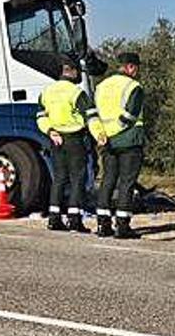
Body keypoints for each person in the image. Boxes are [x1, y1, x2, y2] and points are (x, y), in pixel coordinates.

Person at [37, 58, 107, 233]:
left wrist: (50, 131)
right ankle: (74, 220)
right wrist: (99, 134)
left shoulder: (47, 92)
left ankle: (54, 218)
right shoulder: (76, 92)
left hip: (55, 138)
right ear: (73, 72)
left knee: (59, 178)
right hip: (75, 139)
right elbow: (91, 116)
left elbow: (41, 117)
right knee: (78, 178)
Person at [94, 52, 147, 239]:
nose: (137, 72)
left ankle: (102, 224)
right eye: (136, 68)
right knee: (126, 183)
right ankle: (122, 226)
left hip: (106, 142)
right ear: (131, 67)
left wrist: (103, 134)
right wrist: (115, 133)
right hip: (128, 140)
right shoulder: (134, 86)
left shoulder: (101, 86)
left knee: (108, 180)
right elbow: (130, 117)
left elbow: (95, 114)